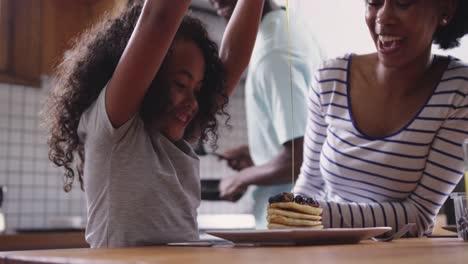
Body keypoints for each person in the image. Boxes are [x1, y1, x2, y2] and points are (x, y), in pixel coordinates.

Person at [43, 0, 265, 248]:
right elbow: (159, 18)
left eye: (198, 90)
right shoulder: (116, 128)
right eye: (180, 85)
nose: (193, 102)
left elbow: (232, 58)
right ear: (147, 77)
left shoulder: (175, 136)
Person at [294, 0, 468, 236]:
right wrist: (289, 217)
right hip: (325, 253)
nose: (383, 17)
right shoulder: (330, 78)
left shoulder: (459, 93)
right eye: (373, 2)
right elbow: (310, 183)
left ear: (445, 11)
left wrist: (310, 214)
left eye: (403, 3)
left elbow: (418, 215)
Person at [210, 0, 325, 228]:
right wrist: (260, 155)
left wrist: (239, 179)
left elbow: (299, 157)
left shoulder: (273, 53)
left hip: (289, 224)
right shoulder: (289, 25)